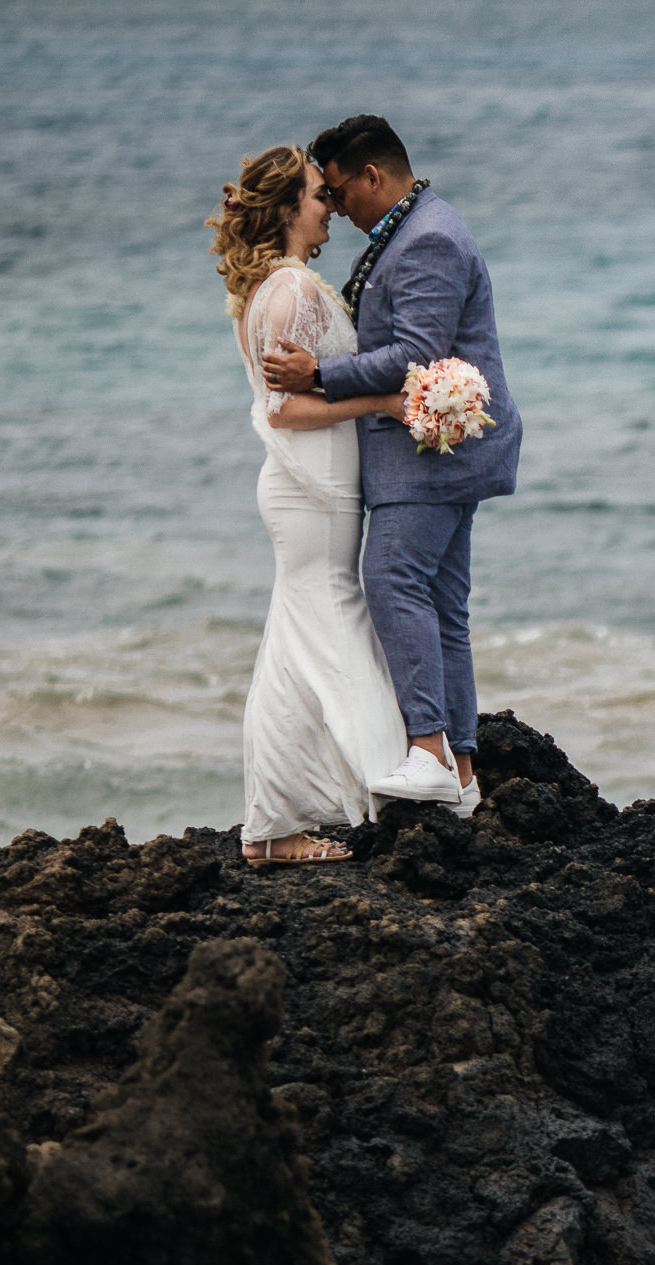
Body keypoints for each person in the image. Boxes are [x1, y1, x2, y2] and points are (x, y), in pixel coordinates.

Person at [262, 114, 523, 815]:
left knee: (391, 578)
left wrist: (319, 371)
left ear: (373, 175)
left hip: (431, 454)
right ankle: (462, 772)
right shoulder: (411, 228)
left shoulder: (428, 238)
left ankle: (431, 751)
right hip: (439, 450)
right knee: (441, 604)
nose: (337, 208)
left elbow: (416, 354)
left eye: (342, 192)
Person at [205, 145, 412, 864]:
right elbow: (287, 409)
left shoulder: (275, 287)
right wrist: (384, 399)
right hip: (310, 493)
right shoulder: (288, 292)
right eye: (319, 196)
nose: (331, 207)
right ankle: (390, 789)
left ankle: (271, 828)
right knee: (337, 627)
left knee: (292, 651)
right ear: (290, 207)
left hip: (310, 491)